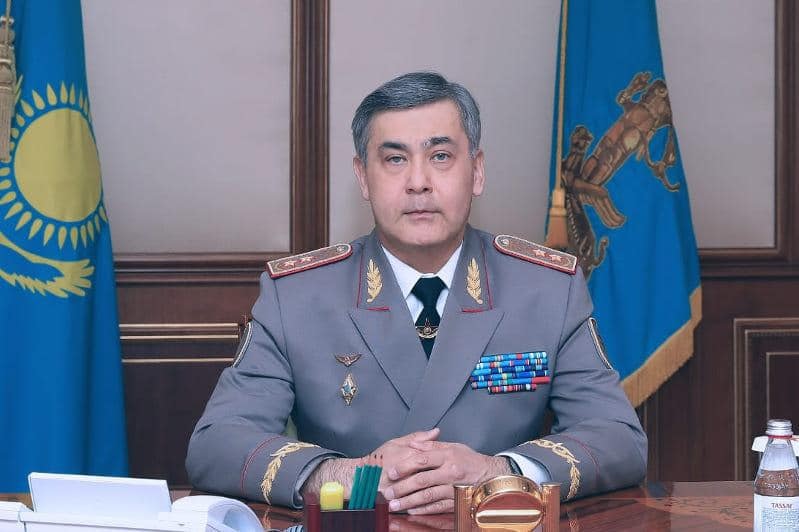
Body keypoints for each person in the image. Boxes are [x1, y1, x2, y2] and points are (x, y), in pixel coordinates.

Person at [186, 71, 647, 515]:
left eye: (440, 156)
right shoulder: (298, 296)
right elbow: (217, 443)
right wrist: (346, 477)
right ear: (363, 178)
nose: (418, 182)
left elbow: (617, 437)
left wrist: (497, 474)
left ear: (477, 171)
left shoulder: (546, 288)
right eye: (395, 159)